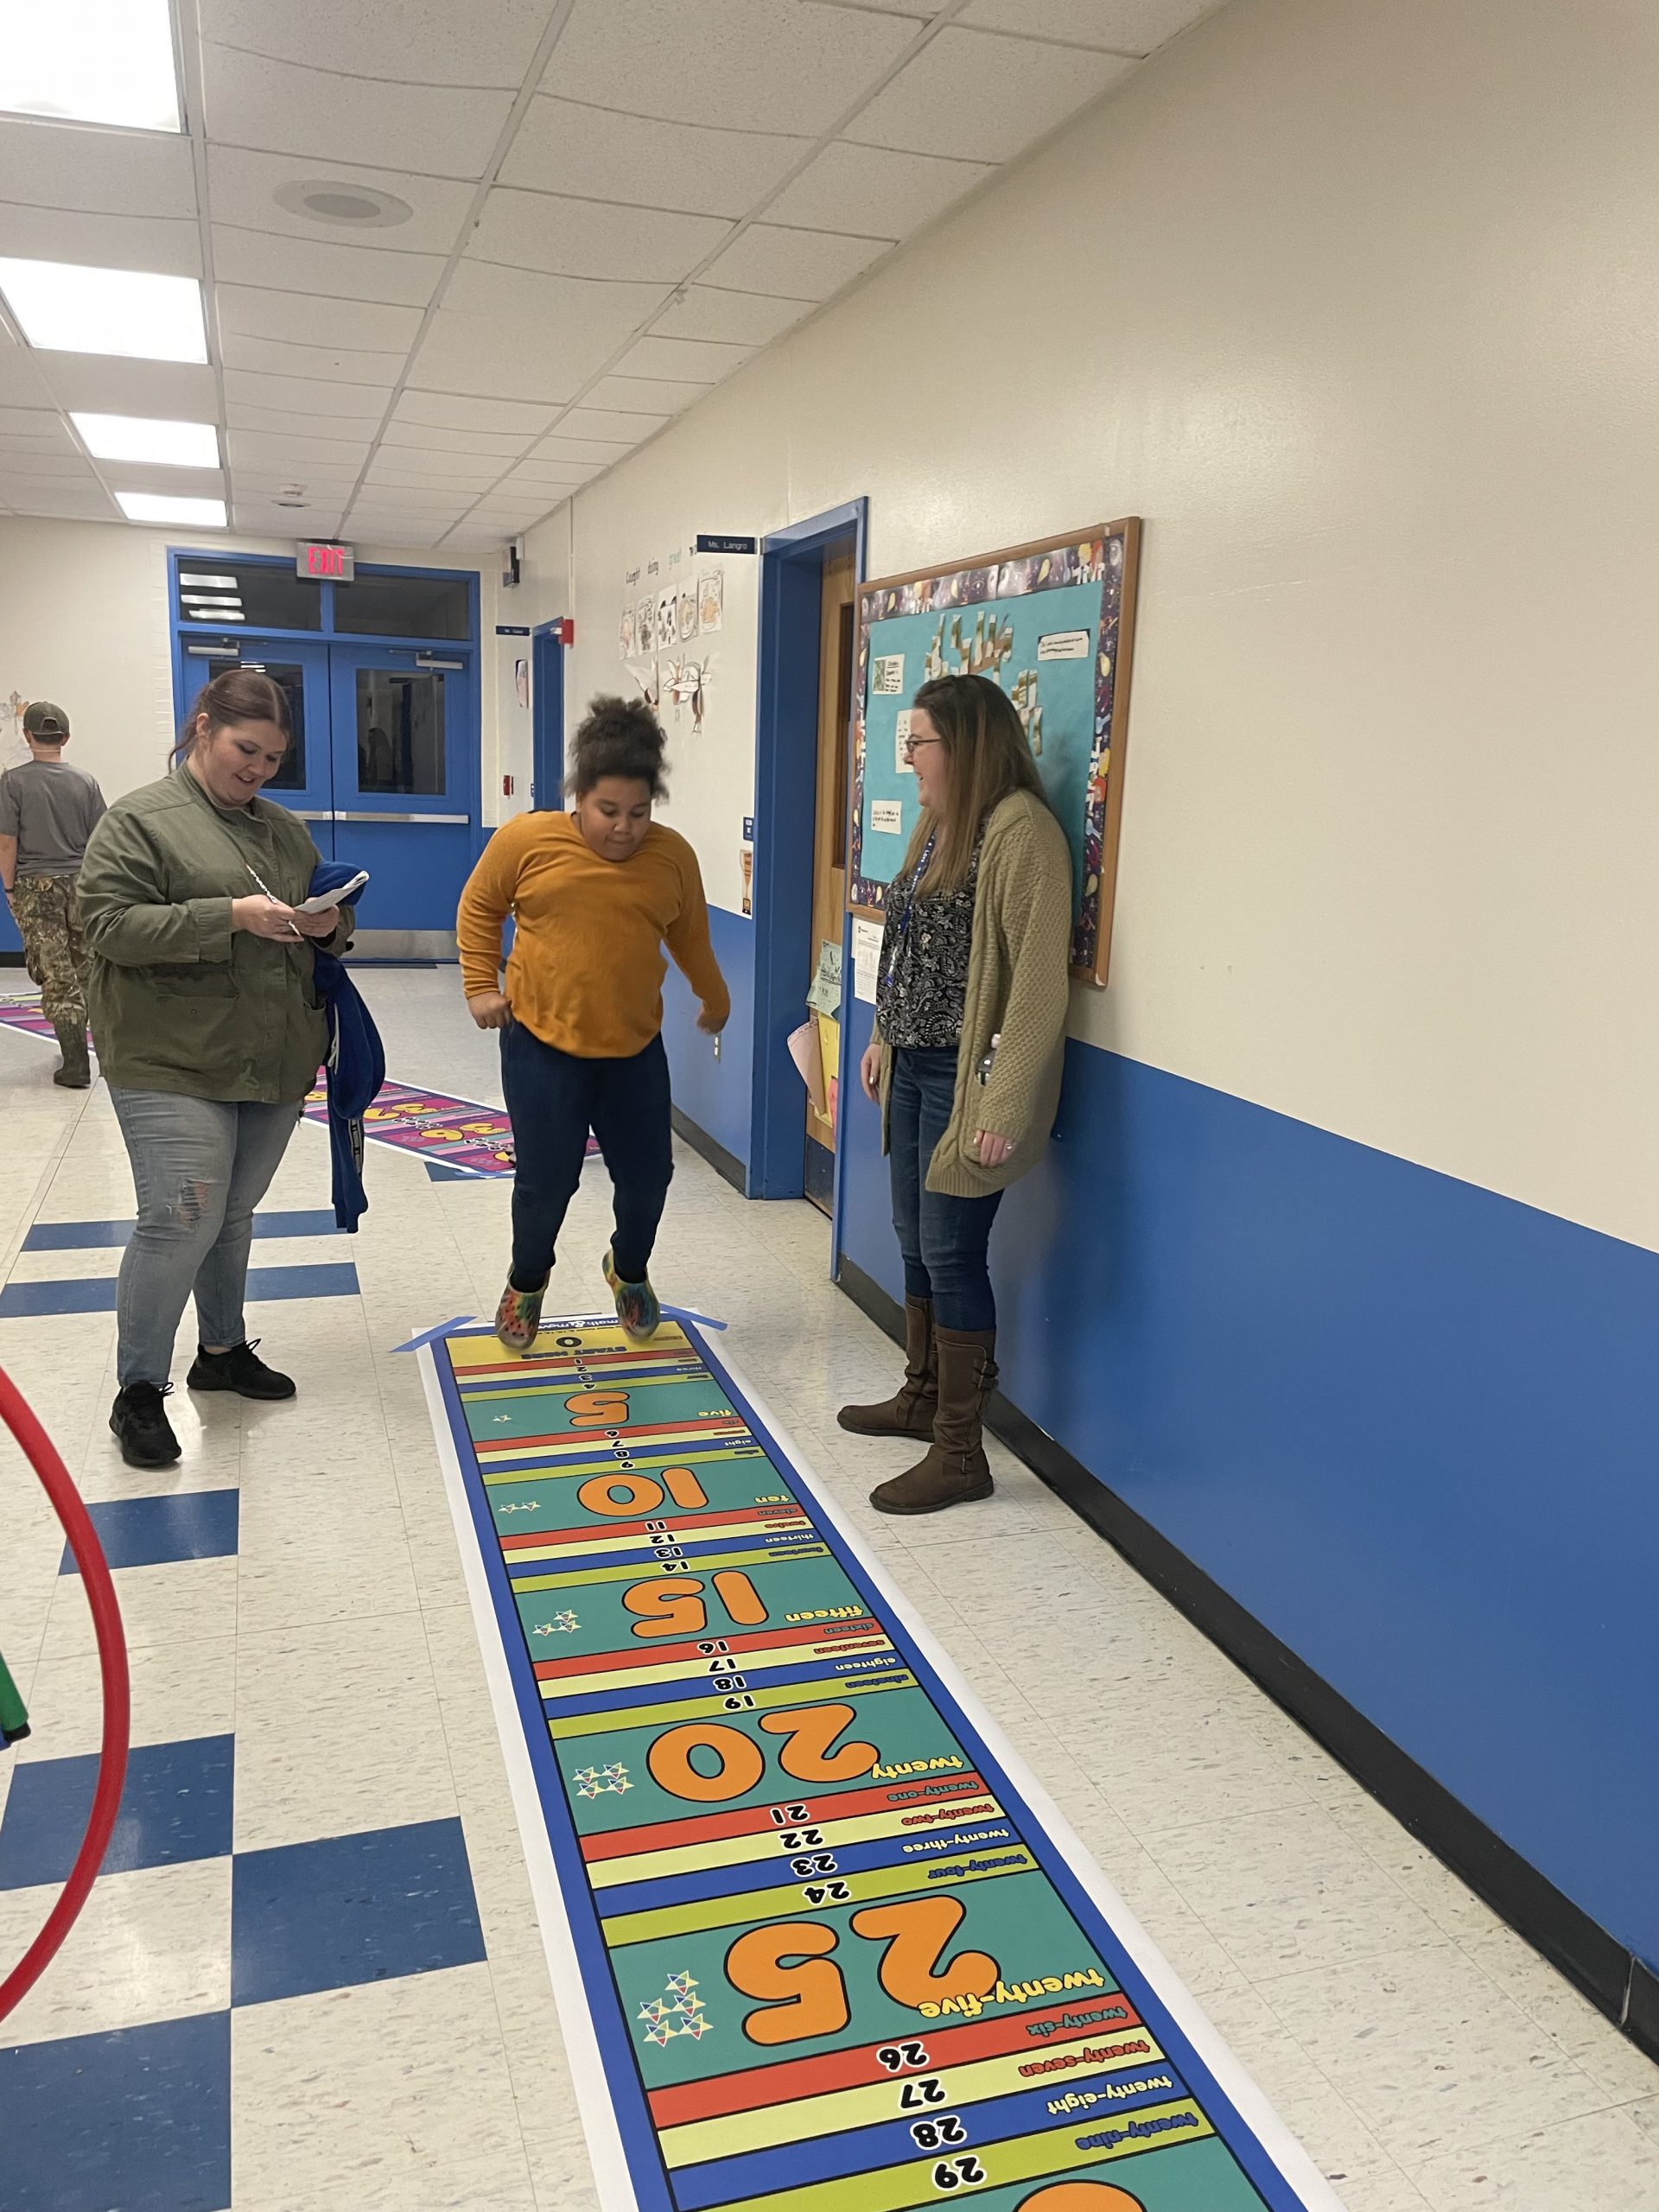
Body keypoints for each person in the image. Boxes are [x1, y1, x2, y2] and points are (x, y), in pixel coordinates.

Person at [75, 671, 353, 1470]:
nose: (258, 768)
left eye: (273, 757)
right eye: (246, 749)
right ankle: (137, 1392)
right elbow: (108, 925)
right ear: (203, 729)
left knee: (232, 1212)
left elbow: (322, 916)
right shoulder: (139, 821)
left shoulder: (284, 832)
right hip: (170, 1059)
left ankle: (222, 1351)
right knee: (181, 1216)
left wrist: (330, 922)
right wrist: (229, 916)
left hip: (269, 1056)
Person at [838, 672, 1073, 1516]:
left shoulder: (1022, 834)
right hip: (913, 1063)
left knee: (952, 1253)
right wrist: (878, 1035)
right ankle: (921, 1394)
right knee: (912, 1237)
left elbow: (1040, 988)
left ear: (965, 747)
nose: (910, 761)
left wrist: (1004, 1107)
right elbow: (906, 946)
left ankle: (961, 1451)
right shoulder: (942, 828)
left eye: (920, 744)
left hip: (967, 1079)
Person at [457, 696, 728, 1352]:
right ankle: (527, 1281)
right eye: (608, 811)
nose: (623, 828)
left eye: (639, 813)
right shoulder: (526, 840)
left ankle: (626, 1269)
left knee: (648, 1177)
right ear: (579, 796)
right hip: (542, 1045)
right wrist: (478, 986)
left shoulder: (672, 858)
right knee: (548, 1180)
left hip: (633, 1048)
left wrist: (714, 997)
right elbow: (479, 907)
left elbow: (691, 936)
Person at [0, 701, 106, 1087]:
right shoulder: (85, 781)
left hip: (35, 884)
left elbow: (7, 843)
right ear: (65, 737)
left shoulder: (12, 782)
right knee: (86, 967)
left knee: (55, 971)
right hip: (81, 883)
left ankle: (76, 1063)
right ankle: (103, 1053)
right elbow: (100, 841)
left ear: (28, 736)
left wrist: (9, 888)